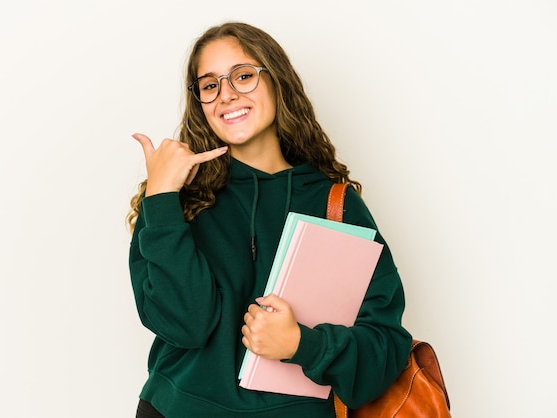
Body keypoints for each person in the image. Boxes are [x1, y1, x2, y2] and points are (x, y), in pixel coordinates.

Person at [126, 21, 412, 418]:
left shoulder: (334, 204)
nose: (226, 95)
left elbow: (383, 351)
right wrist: (159, 197)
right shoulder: (173, 197)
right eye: (209, 85)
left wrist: (301, 345)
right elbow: (184, 325)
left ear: (277, 82)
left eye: (243, 76)